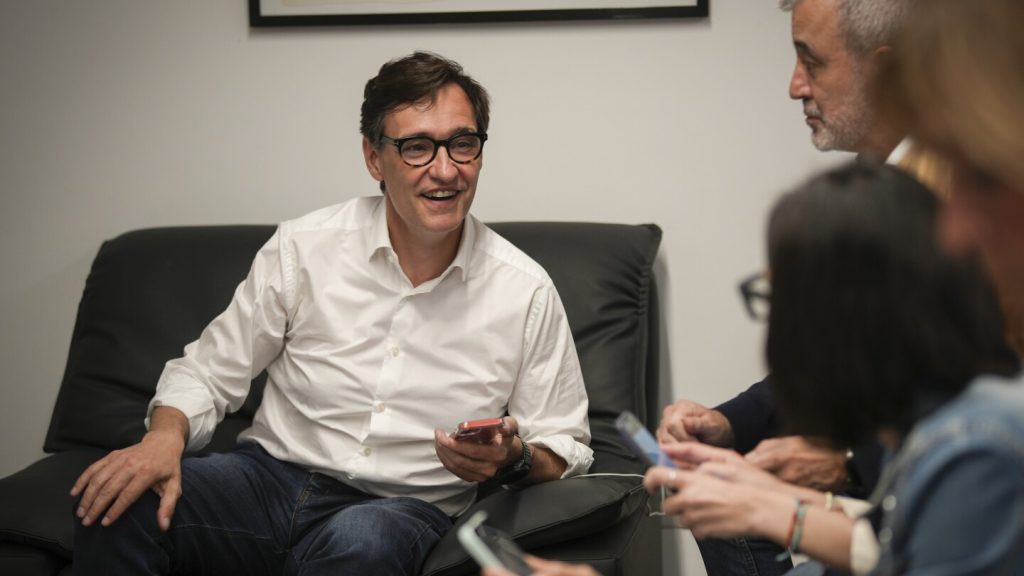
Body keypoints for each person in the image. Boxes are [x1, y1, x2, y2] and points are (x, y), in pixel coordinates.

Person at [70, 51, 593, 575]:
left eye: (462, 143)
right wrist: (163, 439)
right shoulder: (304, 247)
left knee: (364, 541)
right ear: (373, 158)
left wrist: (512, 458)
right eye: (416, 147)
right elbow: (206, 372)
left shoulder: (525, 290)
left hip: (401, 508)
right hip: (267, 480)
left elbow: (565, 443)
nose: (445, 169)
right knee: (120, 499)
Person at [644, 159, 1023, 575]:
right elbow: (885, 545)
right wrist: (761, 496)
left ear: (841, 313)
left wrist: (766, 506)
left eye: (779, 296)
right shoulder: (938, 415)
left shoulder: (971, 447)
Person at [659, 1, 915, 573]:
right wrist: (729, 424)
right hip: (883, 501)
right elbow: (841, 365)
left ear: (886, 71)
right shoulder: (878, 184)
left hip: (922, 520)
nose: (795, 86)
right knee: (713, 495)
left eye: (811, 61)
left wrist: (843, 464)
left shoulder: (959, 202)